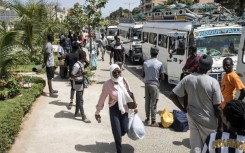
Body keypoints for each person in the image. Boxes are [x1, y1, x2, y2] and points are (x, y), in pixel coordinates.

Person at [169, 55, 223, 153]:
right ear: (210, 67)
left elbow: (172, 95)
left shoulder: (188, 78)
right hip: (209, 121)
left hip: (192, 117)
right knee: (210, 148)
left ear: (198, 64)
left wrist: (183, 109)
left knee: (195, 147)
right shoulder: (213, 82)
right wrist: (220, 125)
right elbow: (217, 107)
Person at [95, 64, 134, 153]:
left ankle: (118, 136)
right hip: (114, 108)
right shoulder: (107, 84)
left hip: (124, 107)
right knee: (117, 131)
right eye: (114, 72)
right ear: (111, 73)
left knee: (124, 129)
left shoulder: (124, 81)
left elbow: (130, 95)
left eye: (118, 72)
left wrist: (133, 109)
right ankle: (119, 149)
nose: (116, 74)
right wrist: (97, 112)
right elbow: (102, 98)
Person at [142, 46, 165, 127]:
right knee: (153, 103)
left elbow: (143, 74)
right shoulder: (160, 64)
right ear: (157, 53)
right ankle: (153, 121)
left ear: (150, 52)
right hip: (155, 85)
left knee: (147, 102)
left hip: (147, 84)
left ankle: (147, 119)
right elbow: (162, 77)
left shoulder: (145, 63)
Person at [65, 42, 89, 109]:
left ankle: (71, 101)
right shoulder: (80, 54)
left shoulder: (68, 55)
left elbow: (65, 65)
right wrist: (83, 68)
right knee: (80, 89)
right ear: (78, 47)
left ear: (71, 47)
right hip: (80, 75)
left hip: (72, 75)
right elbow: (87, 62)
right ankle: (78, 103)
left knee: (73, 88)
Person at [71, 50, 91, 123]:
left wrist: (86, 62)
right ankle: (83, 116)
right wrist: (81, 74)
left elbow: (87, 64)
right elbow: (72, 75)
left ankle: (76, 112)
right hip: (78, 83)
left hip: (81, 82)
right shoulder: (76, 65)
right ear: (82, 57)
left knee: (78, 98)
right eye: (85, 56)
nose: (86, 57)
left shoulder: (81, 64)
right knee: (80, 100)